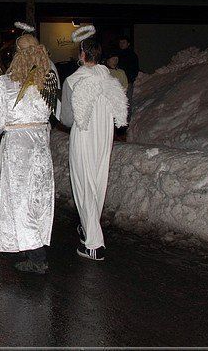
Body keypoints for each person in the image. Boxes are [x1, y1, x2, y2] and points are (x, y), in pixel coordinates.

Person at [60, 26, 128, 261]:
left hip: (84, 135)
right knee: (97, 183)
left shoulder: (73, 80)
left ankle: (93, 245)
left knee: (83, 185)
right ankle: (88, 228)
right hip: (104, 136)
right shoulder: (109, 78)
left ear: (82, 54)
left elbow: (67, 119)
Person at [0, 33, 54, 274]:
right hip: (41, 144)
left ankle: (36, 256)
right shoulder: (48, 79)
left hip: (18, 146)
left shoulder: (5, 82)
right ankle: (31, 247)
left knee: (20, 200)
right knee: (39, 198)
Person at [115, 36, 139, 121]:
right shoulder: (116, 55)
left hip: (127, 82)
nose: (121, 44)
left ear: (128, 44)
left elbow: (135, 69)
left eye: (123, 42)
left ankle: (126, 121)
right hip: (116, 83)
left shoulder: (132, 55)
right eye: (120, 42)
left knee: (126, 102)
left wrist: (129, 79)